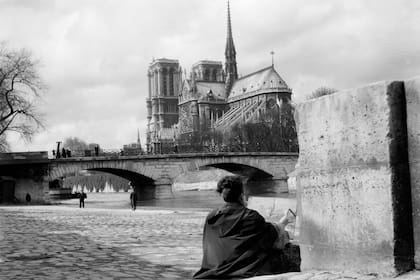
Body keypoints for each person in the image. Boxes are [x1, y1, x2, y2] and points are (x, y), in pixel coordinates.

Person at [193, 176, 300, 279]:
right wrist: (285, 220)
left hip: (212, 271)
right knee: (290, 249)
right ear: (241, 196)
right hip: (245, 271)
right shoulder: (250, 216)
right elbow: (273, 235)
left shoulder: (212, 216)